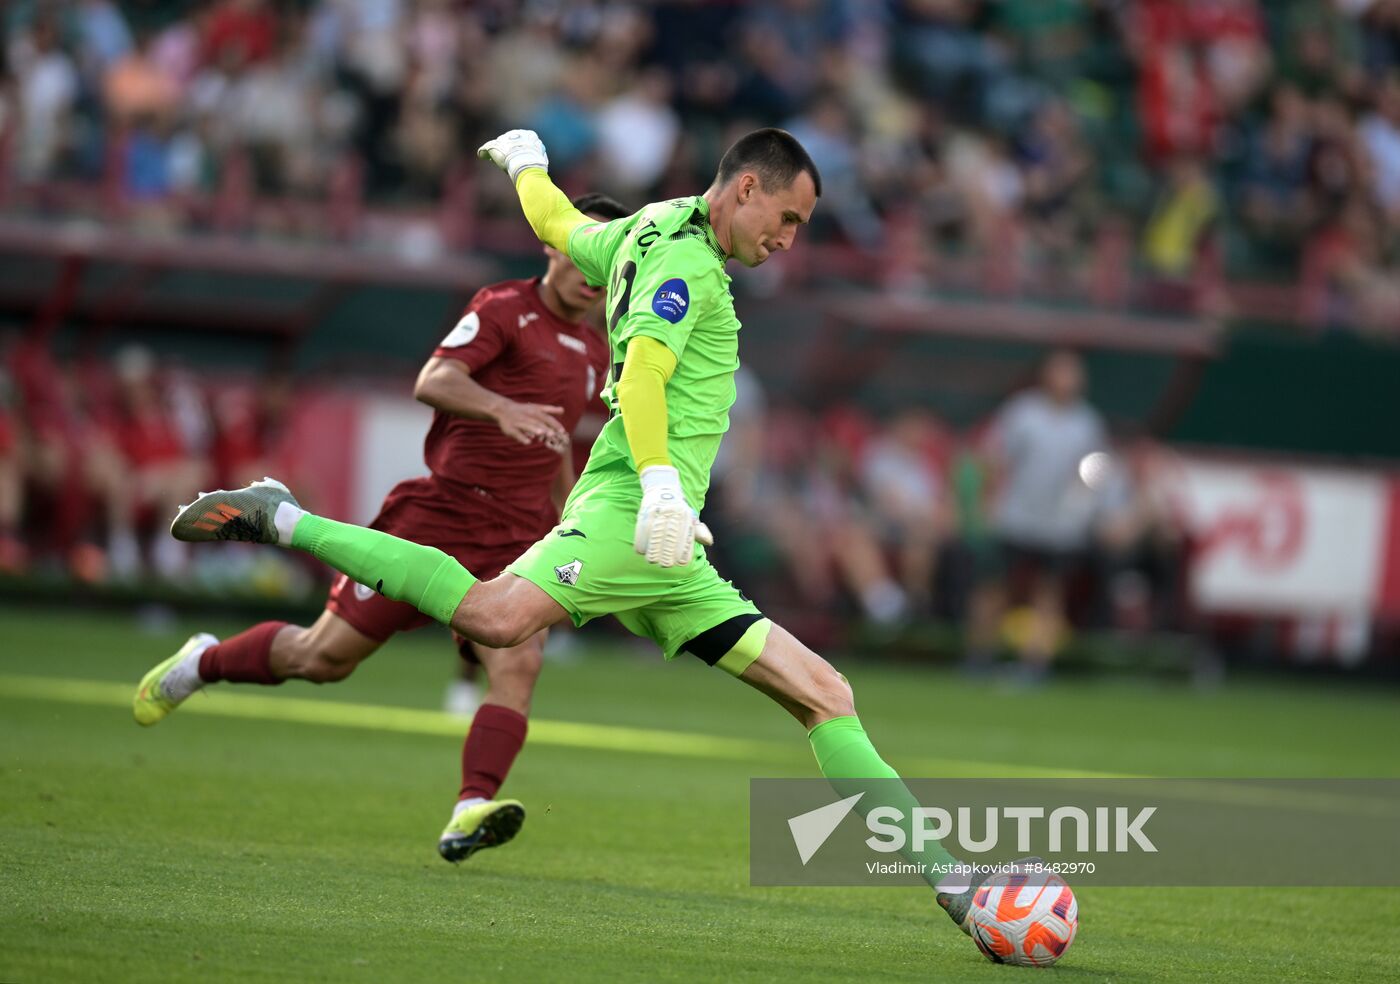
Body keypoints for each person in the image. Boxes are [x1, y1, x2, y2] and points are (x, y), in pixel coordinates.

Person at [140, 127, 1033, 937]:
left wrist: (523, 159)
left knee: (824, 695)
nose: (788, 242)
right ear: (747, 187)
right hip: (633, 519)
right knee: (493, 621)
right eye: (789, 219)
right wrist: (657, 491)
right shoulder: (684, 265)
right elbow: (641, 378)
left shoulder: (643, 229)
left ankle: (959, 891)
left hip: (672, 550)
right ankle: (281, 513)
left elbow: (561, 223)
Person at [133, 191, 627, 864]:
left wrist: (574, 516)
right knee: (322, 659)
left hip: (516, 536)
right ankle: (203, 661)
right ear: (551, 243)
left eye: (606, 253)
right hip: (439, 518)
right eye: (580, 247)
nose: (591, 268)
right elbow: (435, 380)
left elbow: (556, 441)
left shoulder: (597, 349)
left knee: (520, 662)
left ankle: (468, 808)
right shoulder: (503, 308)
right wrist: (500, 408)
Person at [966, 349, 1107, 681]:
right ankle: (979, 655)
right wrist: (988, 501)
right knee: (993, 586)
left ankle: (1034, 663)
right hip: (1015, 518)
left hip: (1058, 527)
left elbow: (1093, 472)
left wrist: (1082, 507)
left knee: (1049, 592)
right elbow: (994, 457)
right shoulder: (1022, 413)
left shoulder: (1086, 423)